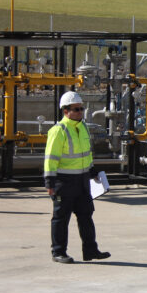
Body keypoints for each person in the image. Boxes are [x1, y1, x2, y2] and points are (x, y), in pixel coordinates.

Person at [44, 91, 110, 264]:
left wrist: (93, 170)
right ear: (66, 111)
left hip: (82, 181)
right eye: (76, 109)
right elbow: (51, 159)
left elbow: (85, 154)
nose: (80, 112)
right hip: (63, 182)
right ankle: (58, 252)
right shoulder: (58, 131)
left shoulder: (83, 127)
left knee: (86, 216)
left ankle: (90, 250)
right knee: (61, 218)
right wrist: (49, 182)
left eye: (81, 108)